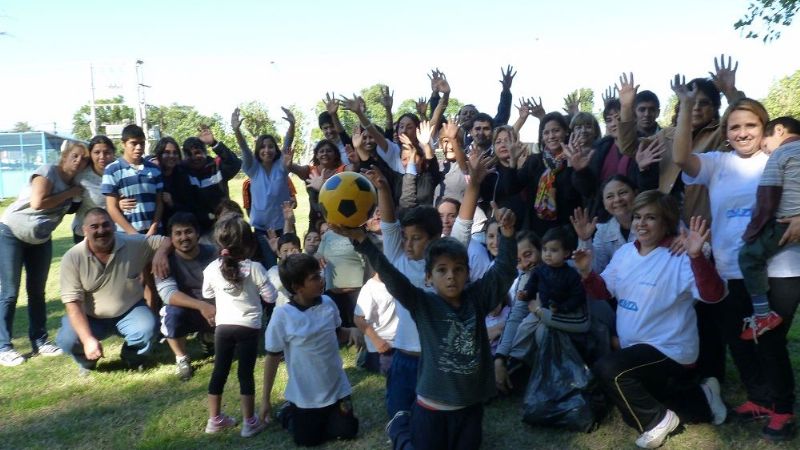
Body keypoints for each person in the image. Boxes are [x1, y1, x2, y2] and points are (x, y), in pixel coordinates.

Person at [674, 89, 800, 440]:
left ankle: (783, 409)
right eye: (734, 127)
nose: (742, 132)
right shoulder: (717, 162)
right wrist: (685, 105)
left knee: (769, 337)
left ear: (764, 127)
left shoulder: (781, 157)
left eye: (750, 125)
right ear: (726, 131)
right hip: (730, 267)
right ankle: (759, 397)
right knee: (738, 338)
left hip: (781, 267)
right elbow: (681, 157)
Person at [341, 204, 518, 450]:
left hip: (470, 408)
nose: (450, 276)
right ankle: (400, 432)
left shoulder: (477, 299)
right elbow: (392, 277)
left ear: (468, 274)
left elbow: (504, 270)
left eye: (458, 270)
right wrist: (363, 241)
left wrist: (508, 235)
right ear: (428, 277)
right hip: (430, 409)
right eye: (441, 270)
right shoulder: (423, 304)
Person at [575, 192, 727, 449]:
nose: (641, 224)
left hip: (669, 349)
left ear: (666, 222)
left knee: (608, 369)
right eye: (637, 217)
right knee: (632, 394)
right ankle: (702, 396)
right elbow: (603, 291)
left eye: (650, 218)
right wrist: (587, 273)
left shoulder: (680, 254)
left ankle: (656, 421)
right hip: (636, 350)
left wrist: (697, 256)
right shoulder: (625, 253)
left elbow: (713, 296)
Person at [0, 141, 87, 366]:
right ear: (65, 157)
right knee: (10, 292)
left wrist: (75, 192)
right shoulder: (48, 171)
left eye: (83, 158)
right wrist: (70, 193)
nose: (79, 161)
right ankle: (3, 346)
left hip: (40, 239)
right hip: (11, 233)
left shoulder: (77, 184)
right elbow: (38, 202)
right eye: (75, 156)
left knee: (37, 291)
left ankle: (40, 341)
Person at [56, 208, 170, 374]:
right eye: (94, 226)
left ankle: (132, 357)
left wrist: (161, 254)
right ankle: (87, 361)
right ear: (84, 230)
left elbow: (166, 240)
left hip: (129, 310)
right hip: (91, 317)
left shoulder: (133, 243)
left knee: (148, 328)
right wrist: (87, 339)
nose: (101, 231)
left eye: (106, 225)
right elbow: (73, 305)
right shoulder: (72, 258)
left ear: (114, 226)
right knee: (68, 339)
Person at [261, 253, 360, 447]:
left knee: (347, 431)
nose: (321, 279)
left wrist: (353, 331)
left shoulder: (328, 303)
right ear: (297, 287)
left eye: (319, 274)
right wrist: (265, 400)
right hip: (306, 395)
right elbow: (272, 358)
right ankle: (288, 413)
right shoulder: (282, 315)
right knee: (309, 441)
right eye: (314, 278)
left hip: (336, 389)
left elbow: (338, 332)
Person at [201, 215, 275, 437]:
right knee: (245, 374)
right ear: (249, 245)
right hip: (249, 327)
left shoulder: (211, 269)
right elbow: (270, 297)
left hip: (223, 327)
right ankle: (249, 422)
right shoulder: (255, 268)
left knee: (219, 371)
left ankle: (214, 420)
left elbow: (206, 293)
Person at [737, 117, 800, 339]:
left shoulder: (780, 155)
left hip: (784, 224)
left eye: (765, 145)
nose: (766, 151)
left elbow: (767, 200)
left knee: (748, 257)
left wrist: (752, 232)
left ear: (779, 131)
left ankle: (763, 315)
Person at [156, 212, 217, 380]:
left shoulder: (214, 253)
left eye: (188, 231)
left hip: (214, 307)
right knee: (171, 313)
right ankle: (182, 358)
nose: (184, 237)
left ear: (197, 233)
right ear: (171, 237)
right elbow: (168, 295)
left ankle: (208, 337)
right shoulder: (163, 261)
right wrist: (202, 306)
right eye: (178, 233)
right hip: (188, 310)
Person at [231, 106, 293, 269]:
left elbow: (287, 144)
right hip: (261, 228)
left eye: (271, 146)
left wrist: (292, 125)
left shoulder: (281, 165)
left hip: (284, 224)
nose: (267, 150)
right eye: (263, 147)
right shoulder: (253, 168)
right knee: (269, 264)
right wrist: (237, 131)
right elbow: (244, 149)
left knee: (289, 261)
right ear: (258, 150)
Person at [494, 231, 542, 394]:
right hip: (525, 344)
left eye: (528, 255)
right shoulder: (526, 278)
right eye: (518, 261)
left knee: (540, 329)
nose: (525, 264)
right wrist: (500, 357)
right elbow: (515, 317)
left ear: (540, 248)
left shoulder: (565, 271)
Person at [522, 227, 589, 334]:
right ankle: (512, 351)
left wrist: (563, 308)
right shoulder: (539, 270)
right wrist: (526, 293)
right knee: (524, 328)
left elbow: (578, 296)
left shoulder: (572, 275)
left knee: (544, 335)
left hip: (563, 314)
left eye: (553, 250)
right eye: (544, 249)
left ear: (566, 253)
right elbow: (532, 285)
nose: (547, 254)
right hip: (540, 308)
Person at [101, 124, 163, 235]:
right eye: (133, 143)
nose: (139, 147)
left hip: (154, 233)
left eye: (142, 143)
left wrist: (153, 229)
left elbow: (159, 203)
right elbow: (111, 207)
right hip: (125, 236)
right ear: (123, 144)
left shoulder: (155, 170)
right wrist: (133, 234)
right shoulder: (112, 170)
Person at [72, 135, 117, 243]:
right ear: (90, 154)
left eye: (107, 153)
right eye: (97, 152)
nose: (102, 156)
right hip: (84, 234)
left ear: (113, 153)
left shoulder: (120, 173)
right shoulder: (81, 177)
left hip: (112, 232)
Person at [354, 272, 397, 374]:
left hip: (401, 343)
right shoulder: (370, 289)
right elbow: (358, 319)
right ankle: (364, 358)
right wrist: (377, 341)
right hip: (384, 346)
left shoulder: (398, 282)